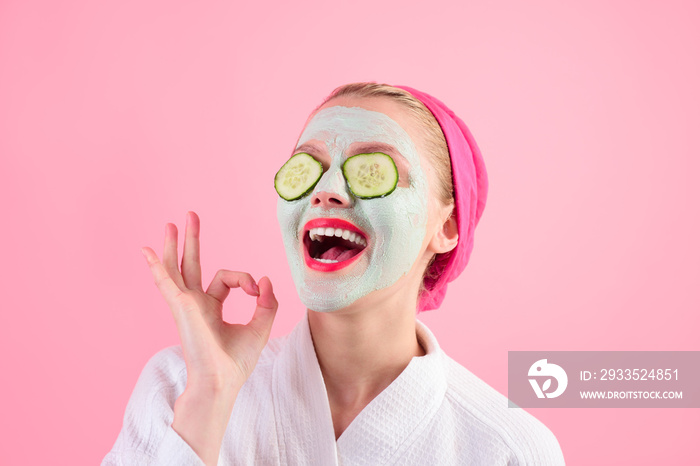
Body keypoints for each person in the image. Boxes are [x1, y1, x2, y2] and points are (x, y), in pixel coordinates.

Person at [102, 82, 565, 465]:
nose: (326, 191)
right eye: (308, 168)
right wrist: (211, 395)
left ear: (445, 227)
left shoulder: (509, 448)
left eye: (371, 169)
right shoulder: (182, 384)